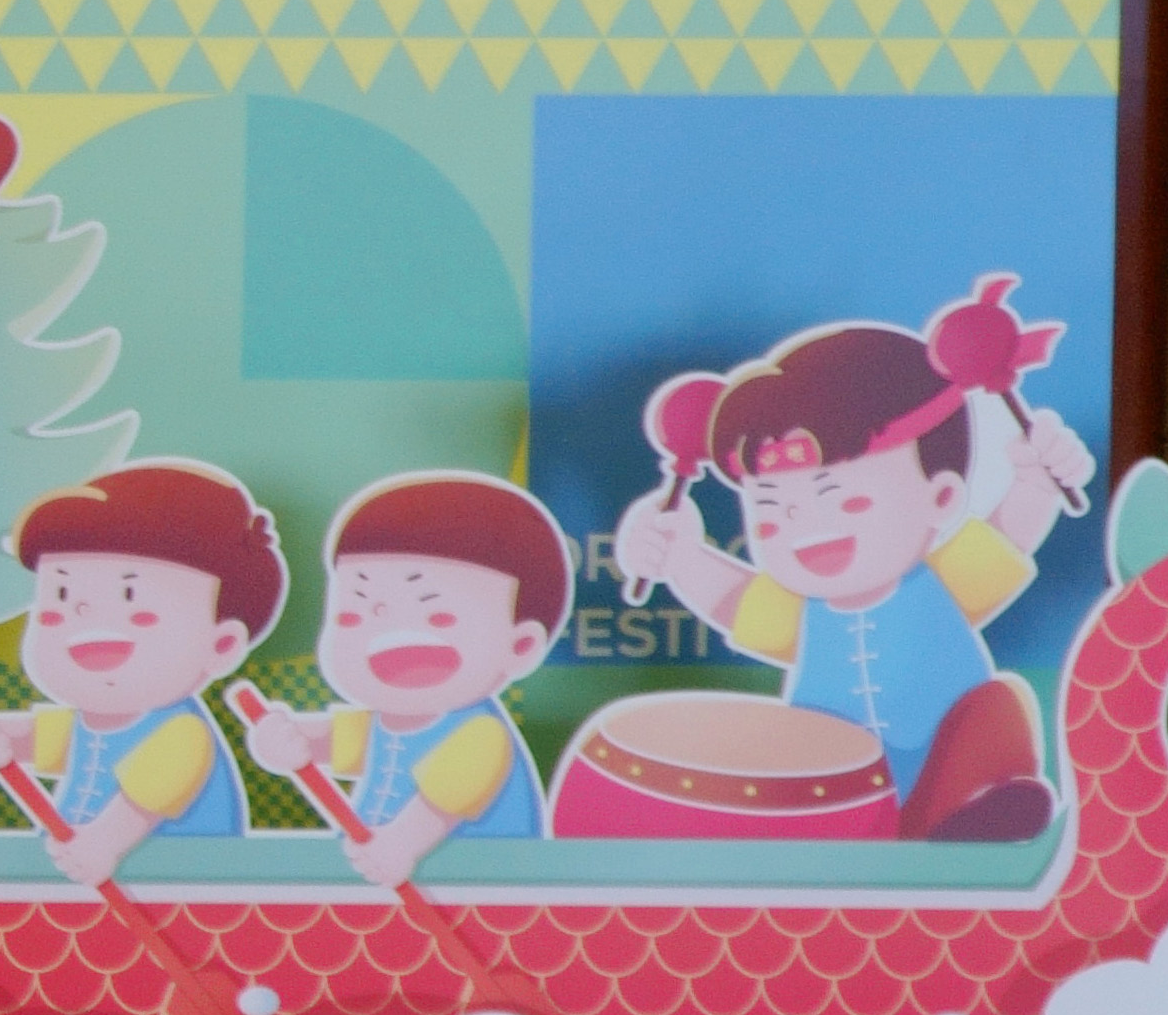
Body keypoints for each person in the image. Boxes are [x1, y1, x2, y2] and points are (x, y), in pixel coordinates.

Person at [612, 278, 1093, 846]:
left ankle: (980, 809)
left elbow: (1011, 531)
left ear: (942, 497)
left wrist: (1040, 477)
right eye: (773, 509)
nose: (808, 527)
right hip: (834, 797)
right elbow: (732, 601)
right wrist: (678, 556)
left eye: (840, 496)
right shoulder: (800, 615)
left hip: (950, 787)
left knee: (994, 709)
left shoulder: (942, 584)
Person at [0, 461, 276, 885]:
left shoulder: (181, 735)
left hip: (182, 885)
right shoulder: (88, 721)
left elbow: (135, 810)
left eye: (129, 595)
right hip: (91, 881)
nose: (84, 614)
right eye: (62, 594)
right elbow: (32, 739)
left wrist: (102, 845)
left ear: (222, 646)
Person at [253, 471, 560, 886]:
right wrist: (282, 739)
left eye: (437, 616)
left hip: (482, 890)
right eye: (353, 616)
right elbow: (324, 740)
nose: (384, 633)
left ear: (520, 646)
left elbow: (436, 809)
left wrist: (400, 845)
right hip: (392, 889)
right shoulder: (385, 724)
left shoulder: (480, 736)